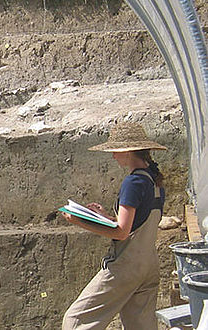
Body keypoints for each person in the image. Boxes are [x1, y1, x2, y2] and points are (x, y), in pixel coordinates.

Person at [61, 122, 166, 330]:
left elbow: (121, 232)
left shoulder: (132, 183)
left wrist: (79, 220)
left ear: (126, 151)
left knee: (75, 321)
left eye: (114, 151)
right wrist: (105, 216)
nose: (113, 156)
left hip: (126, 267)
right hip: (148, 265)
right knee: (141, 326)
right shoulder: (154, 181)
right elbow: (137, 223)